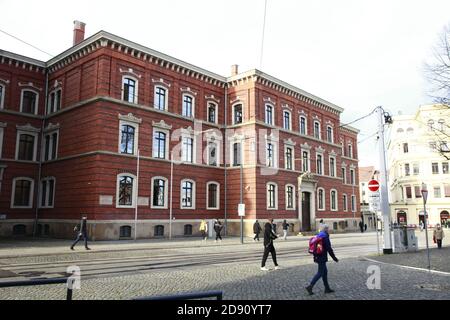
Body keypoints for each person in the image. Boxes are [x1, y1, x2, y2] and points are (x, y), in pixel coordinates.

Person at [306, 224, 338, 295]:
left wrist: (315, 257)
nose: (328, 230)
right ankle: (310, 286)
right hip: (322, 257)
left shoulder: (319, 235)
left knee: (325, 272)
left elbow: (315, 247)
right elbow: (329, 248)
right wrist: (334, 258)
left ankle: (327, 288)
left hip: (318, 256)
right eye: (328, 229)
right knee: (320, 272)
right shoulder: (325, 236)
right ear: (326, 229)